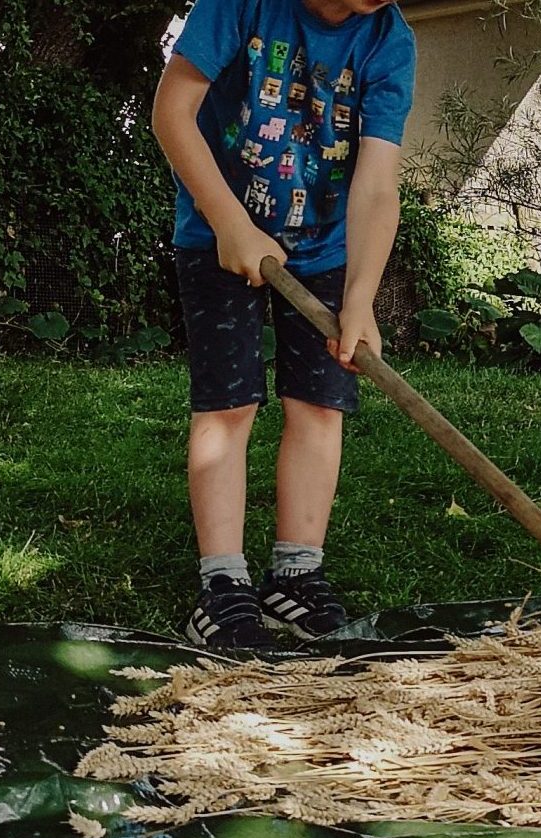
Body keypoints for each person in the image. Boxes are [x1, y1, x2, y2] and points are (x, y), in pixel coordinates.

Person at [152, 0, 415, 648]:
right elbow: (172, 112)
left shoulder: (389, 42)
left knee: (320, 403)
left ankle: (294, 576)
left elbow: (378, 183)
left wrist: (361, 298)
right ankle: (223, 586)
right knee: (228, 405)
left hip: (326, 245)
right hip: (218, 233)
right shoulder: (240, 5)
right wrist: (231, 224)